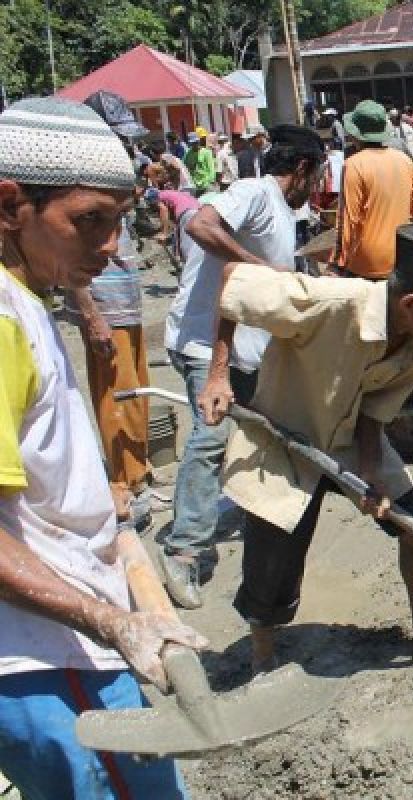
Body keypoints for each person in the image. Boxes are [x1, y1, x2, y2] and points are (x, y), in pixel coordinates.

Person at [0, 95, 207, 800]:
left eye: (120, 221)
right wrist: (112, 618)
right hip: (43, 660)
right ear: (9, 207)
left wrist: (111, 520)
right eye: (89, 221)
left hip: (73, 638)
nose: (113, 244)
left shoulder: (29, 301)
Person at [200, 224, 413, 671]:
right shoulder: (330, 302)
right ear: (412, 304)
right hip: (283, 441)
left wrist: (372, 477)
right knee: (274, 556)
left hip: (349, 441)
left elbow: (375, 417)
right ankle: (262, 656)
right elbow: (234, 278)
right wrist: (218, 375)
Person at [156, 125, 327, 609]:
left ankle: (249, 513)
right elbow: (199, 226)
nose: (315, 187)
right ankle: (184, 550)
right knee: (211, 438)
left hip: (239, 349)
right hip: (202, 345)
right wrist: (255, 265)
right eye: (316, 177)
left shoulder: (280, 210)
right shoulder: (255, 191)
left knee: (258, 433)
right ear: (303, 169)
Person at [64, 96, 163, 530]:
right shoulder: (77, 186)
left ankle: (140, 471)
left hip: (128, 299)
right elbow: (71, 261)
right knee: (115, 396)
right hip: (103, 304)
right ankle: (124, 480)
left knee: (137, 389)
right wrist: (89, 314)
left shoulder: (112, 181)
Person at [335, 100, 413, 281]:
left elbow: (348, 219)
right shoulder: (404, 161)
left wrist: (337, 263)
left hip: (366, 262)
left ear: (356, 135)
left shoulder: (354, 164)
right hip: (401, 255)